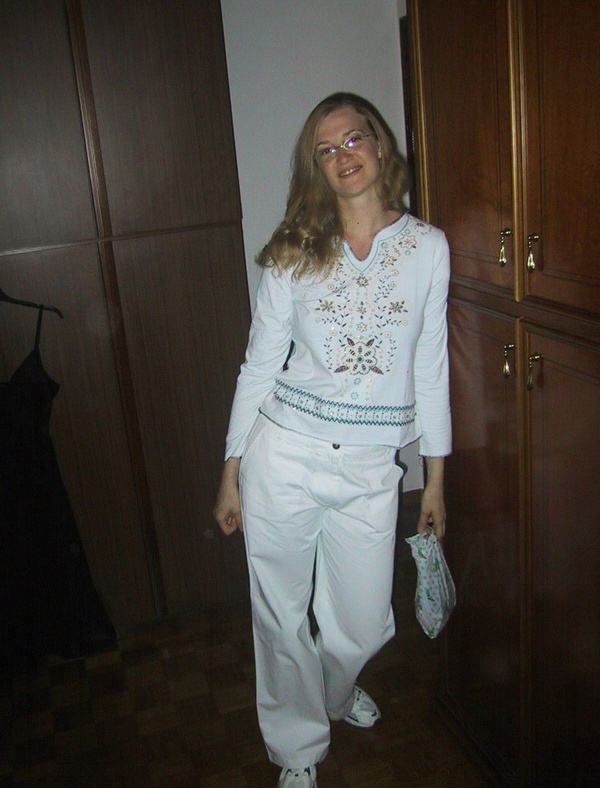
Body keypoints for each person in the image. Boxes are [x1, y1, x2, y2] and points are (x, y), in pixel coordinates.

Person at [213, 92, 451, 788]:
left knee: (362, 624)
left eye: (353, 139)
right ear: (315, 168)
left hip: (372, 468)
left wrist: (435, 479)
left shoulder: (427, 248)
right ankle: (298, 749)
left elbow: (431, 366)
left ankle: (335, 693)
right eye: (326, 149)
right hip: (282, 455)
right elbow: (259, 364)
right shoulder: (294, 249)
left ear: (378, 145)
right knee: (280, 616)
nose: (343, 155)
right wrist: (230, 468)